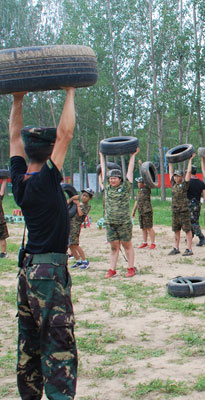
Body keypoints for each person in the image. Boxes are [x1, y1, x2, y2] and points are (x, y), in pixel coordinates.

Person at [10, 88, 78, 399]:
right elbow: (65, 134)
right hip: (49, 277)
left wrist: (17, 100)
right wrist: (70, 92)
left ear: (28, 152)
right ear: (50, 152)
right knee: (58, 346)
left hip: (27, 276)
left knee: (29, 345)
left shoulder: (20, 182)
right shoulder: (48, 180)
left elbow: (14, 138)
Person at [100, 147, 138, 278]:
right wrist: (102, 155)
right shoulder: (107, 188)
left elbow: (130, 172)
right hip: (110, 223)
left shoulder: (125, 187)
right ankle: (112, 269)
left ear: (120, 179)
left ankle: (131, 268)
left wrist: (133, 156)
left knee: (127, 245)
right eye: (111, 178)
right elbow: (103, 170)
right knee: (114, 247)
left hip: (124, 223)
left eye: (115, 178)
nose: (112, 180)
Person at [168, 156, 195, 256]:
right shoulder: (173, 184)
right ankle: (176, 248)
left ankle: (189, 249)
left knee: (187, 230)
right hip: (175, 211)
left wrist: (190, 160)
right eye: (175, 176)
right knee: (176, 230)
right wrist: (170, 162)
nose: (176, 177)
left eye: (178, 176)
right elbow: (170, 172)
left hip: (183, 211)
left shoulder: (184, 185)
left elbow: (188, 172)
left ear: (182, 177)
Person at [67, 188, 94, 270]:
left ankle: (85, 261)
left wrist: (78, 205)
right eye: (83, 195)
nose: (84, 197)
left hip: (76, 226)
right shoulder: (75, 203)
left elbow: (80, 214)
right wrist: (72, 199)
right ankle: (78, 260)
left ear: (90, 198)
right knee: (70, 244)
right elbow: (66, 204)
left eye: (86, 196)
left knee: (75, 244)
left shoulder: (87, 206)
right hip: (70, 225)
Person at [131, 177, 156, 249]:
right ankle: (145, 242)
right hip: (141, 211)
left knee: (149, 227)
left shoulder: (147, 189)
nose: (137, 184)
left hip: (147, 211)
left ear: (143, 183)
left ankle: (153, 243)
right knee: (143, 227)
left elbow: (151, 183)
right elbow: (137, 201)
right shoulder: (139, 191)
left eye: (139, 182)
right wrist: (133, 211)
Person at [188, 165, 205, 247]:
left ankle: (202, 238)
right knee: (194, 220)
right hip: (197, 204)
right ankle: (190, 236)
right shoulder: (201, 183)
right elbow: (204, 195)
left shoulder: (187, 183)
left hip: (190, 205)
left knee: (193, 222)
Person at [0, 178, 8, 258]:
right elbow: (2, 191)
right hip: (1, 221)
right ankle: (3, 253)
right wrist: (5, 180)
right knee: (2, 238)